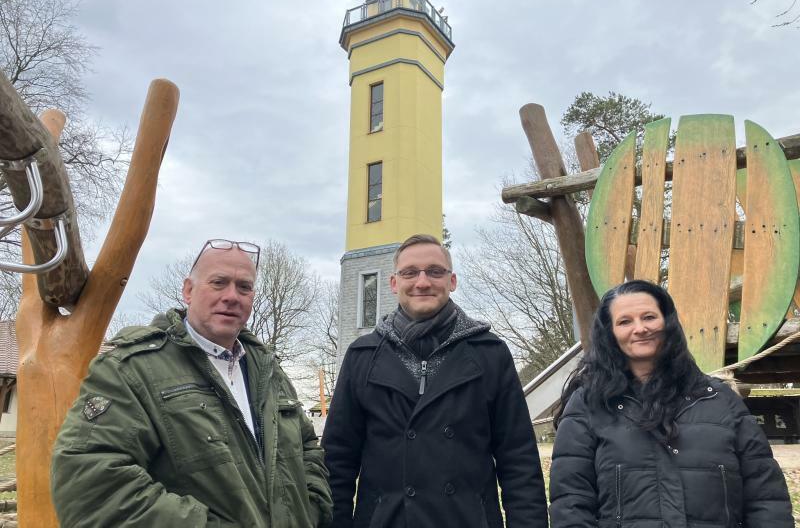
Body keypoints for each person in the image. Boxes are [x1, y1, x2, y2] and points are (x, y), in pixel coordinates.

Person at [51, 239, 333, 527]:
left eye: (244, 287)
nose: (232, 296)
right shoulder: (132, 369)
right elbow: (89, 485)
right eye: (219, 282)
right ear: (188, 290)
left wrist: (311, 508)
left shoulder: (268, 371)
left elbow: (308, 447)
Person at [322, 234, 548, 528]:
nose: (422, 281)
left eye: (435, 271)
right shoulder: (362, 356)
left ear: (452, 281)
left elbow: (518, 462)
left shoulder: (490, 354)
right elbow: (337, 463)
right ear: (394, 283)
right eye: (410, 272)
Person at [549, 279, 793, 527]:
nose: (640, 328)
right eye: (625, 321)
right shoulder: (588, 406)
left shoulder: (718, 399)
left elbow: (765, 495)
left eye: (649, 317)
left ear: (667, 323)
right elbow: (571, 503)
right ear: (610, 333)